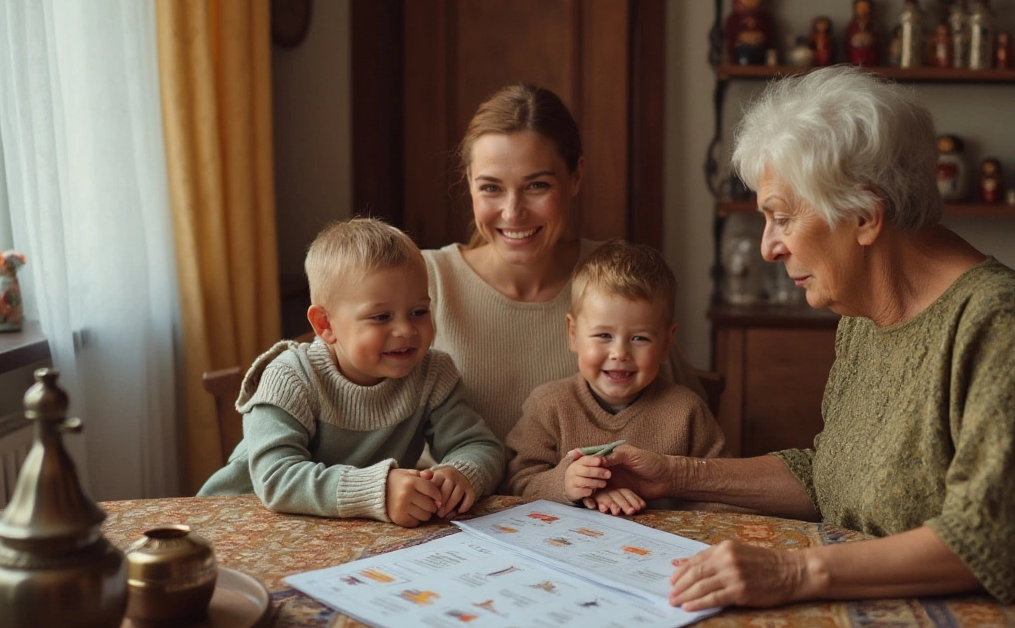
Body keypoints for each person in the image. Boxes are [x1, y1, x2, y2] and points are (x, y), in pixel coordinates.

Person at [578, 67, 1015, 628]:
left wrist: (793, 570)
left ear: (865, 215)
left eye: (782, 217)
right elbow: (831, 473)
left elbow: (988, 541)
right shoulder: (864, 314)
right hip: (889, 623)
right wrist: (674, 473)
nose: (768, 247)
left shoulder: (996, 321)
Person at [422, 83, 707, 444]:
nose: (513, 212)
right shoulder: (423, 281)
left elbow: (688, 420)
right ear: (469, 182)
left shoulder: (617, 276)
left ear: (575, 177)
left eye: (537, 185)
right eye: (491, 188)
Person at [198, 218, 504, 527]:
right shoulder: (290, 377)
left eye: (418, 311)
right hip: (235, 522)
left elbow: (480, 446)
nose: (406, 329)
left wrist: (462, 473)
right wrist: (379, 491)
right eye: (381, 316)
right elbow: (277, 478)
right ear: (325, 325)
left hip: (336, 535)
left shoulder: (433, 374)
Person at [503, 240, 725, 515]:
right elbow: (516, 483)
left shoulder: (687, 412)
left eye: (640, 338)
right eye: (604, 336)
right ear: (573, 333)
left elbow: (720, 491)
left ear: (667, 343)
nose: (620, 353)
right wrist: (565, 483)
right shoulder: (548, 405)